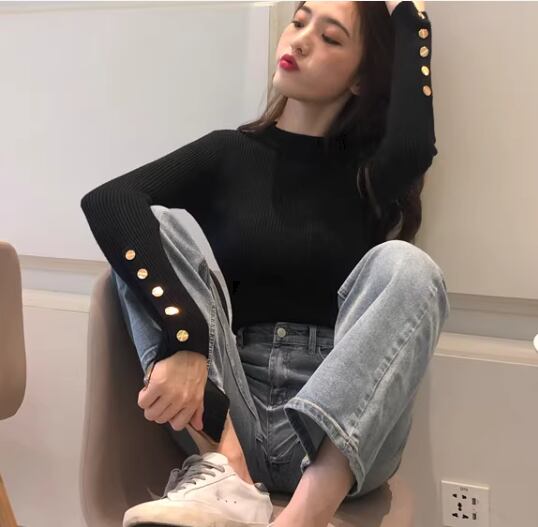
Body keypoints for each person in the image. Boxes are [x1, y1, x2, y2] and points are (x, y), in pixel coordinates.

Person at [80, 1, 450, 526]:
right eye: (299, 21)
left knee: (408, 266)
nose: (299, 39)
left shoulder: (369, 173)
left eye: (331, 37)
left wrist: (410, 16)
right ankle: (226, 475)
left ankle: (304, 515)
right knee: (155, 227)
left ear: (362, 79)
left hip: (342, 436)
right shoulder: (227, 154)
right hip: (229, 414)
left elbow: (415, 143)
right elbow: (109, 201)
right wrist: (185, 338)